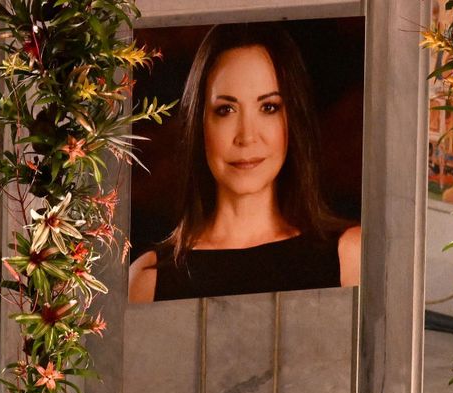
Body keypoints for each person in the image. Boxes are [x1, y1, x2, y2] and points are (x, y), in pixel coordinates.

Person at [129, 22, 361, 303]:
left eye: (269, 107)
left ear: (292, 119)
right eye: (225, 110)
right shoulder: (148, 281)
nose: (247, 136)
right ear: (199, 124)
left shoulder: (349, 255)